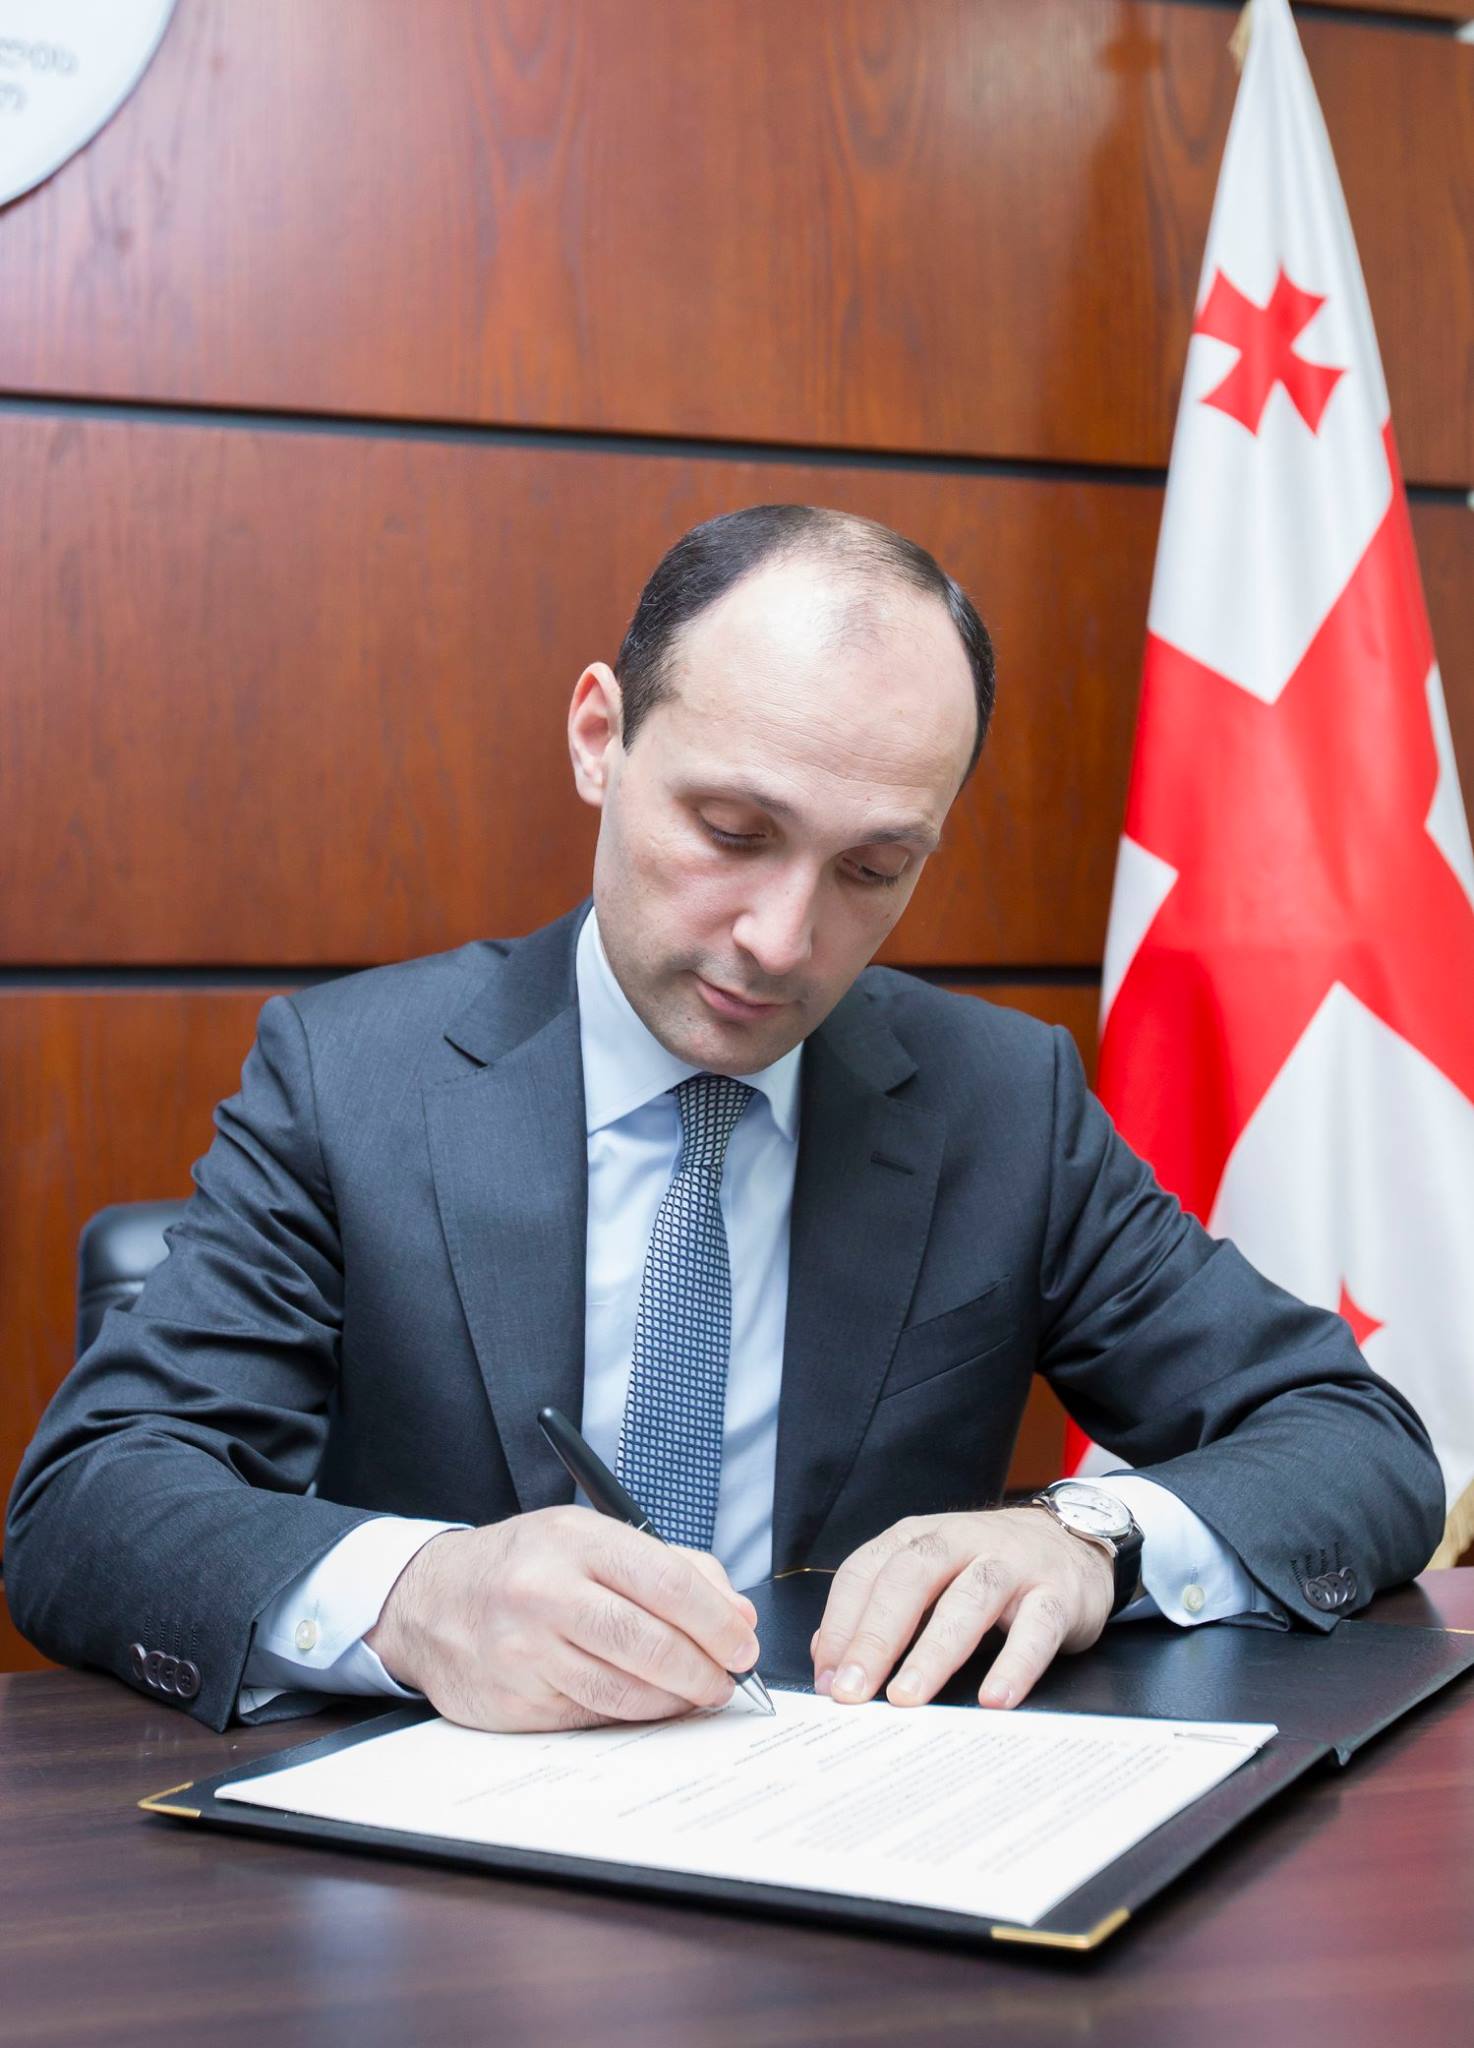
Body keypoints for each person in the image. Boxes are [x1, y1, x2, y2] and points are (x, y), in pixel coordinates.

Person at [5, 505, 1443, 1736]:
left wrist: (1088, 1539)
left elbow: (1356, 1441)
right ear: (600, 738)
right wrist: (417, 1597)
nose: (780, 940)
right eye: (733, 833)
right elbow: (90, 1499)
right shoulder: (353, 1079)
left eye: (872, 869)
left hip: (856, 1845)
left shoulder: (1002, 1103)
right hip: (443, 1867)